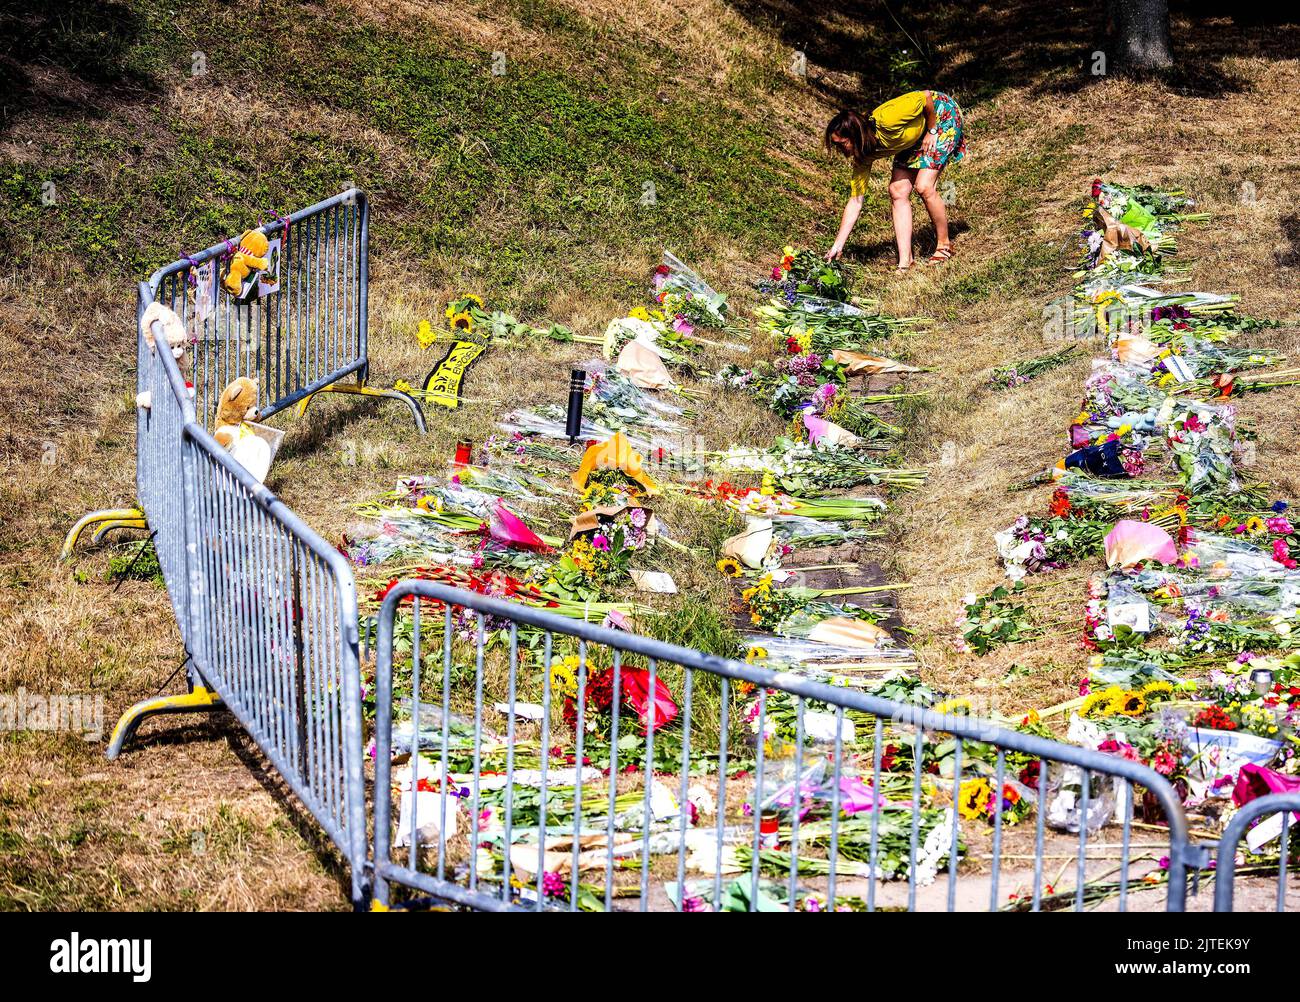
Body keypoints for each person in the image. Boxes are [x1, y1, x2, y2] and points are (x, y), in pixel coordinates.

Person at [823, 90, 966, 272]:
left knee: (923, 186)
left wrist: (932, 130)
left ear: (855, 136)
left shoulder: (888, 118)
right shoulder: (864, 155)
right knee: (897, 190)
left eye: (841, 144)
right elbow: (855, 201)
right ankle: (906, 262)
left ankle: (944, 246)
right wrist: (838, 245)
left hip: (940, 116)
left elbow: (926, 97)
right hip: (912, 137)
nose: (839, 149)